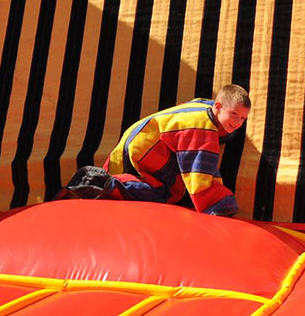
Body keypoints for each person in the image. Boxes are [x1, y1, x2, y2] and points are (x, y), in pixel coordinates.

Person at [95, 85, 251, 217]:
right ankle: (102, 182)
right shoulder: (201, 127)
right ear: (218, 107)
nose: (238, 123)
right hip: (139, 152)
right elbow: (199, 174)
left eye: (243, 118)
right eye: (234, 114)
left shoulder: (206, 107)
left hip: (140, 139)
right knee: (159, 194)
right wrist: (221, 205)